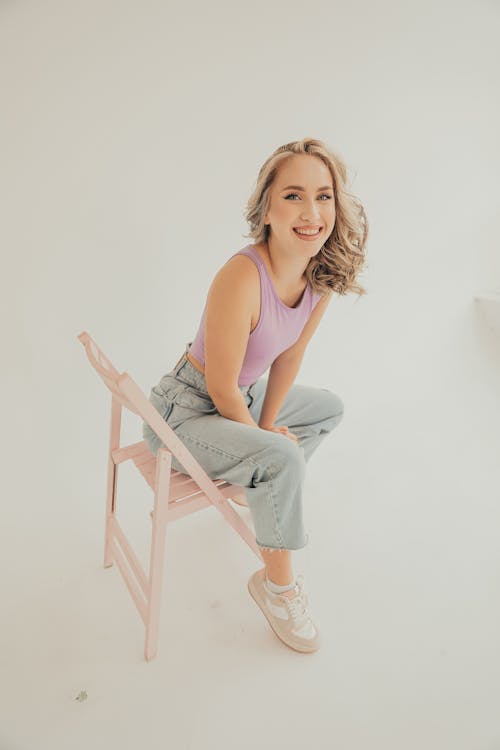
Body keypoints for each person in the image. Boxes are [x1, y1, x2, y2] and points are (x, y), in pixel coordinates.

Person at [143, 136, 368, 654]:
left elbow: (288, 357)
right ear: (266, 207)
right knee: (281, 455)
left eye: (324, 195)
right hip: (182, 414)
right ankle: (277, 586)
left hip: (236, 396)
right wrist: (263, 438)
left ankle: (263, 486)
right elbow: (220, 385)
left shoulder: (319, 276)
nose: (311, 211)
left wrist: (265, 427)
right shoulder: (242, 275)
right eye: (293, 196)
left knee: (326, 409)